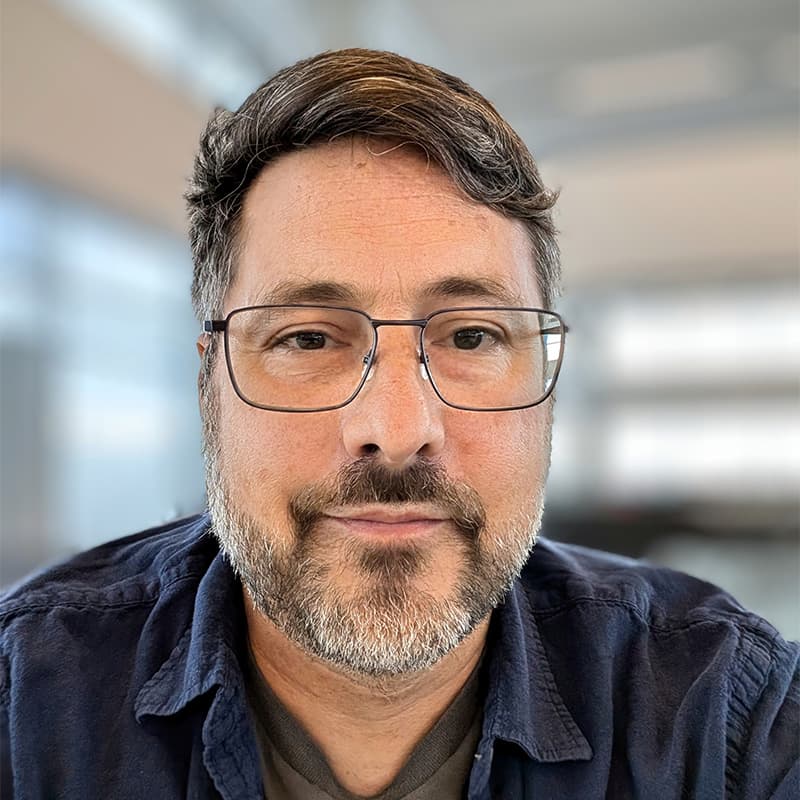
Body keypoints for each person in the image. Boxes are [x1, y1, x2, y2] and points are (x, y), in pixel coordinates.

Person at [1, 48, 797, 800]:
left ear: (548, 384)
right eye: (308, 338)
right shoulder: (24, 704)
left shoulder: (723, 712)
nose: (394, 427)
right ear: (210, 382)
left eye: (472, 336)